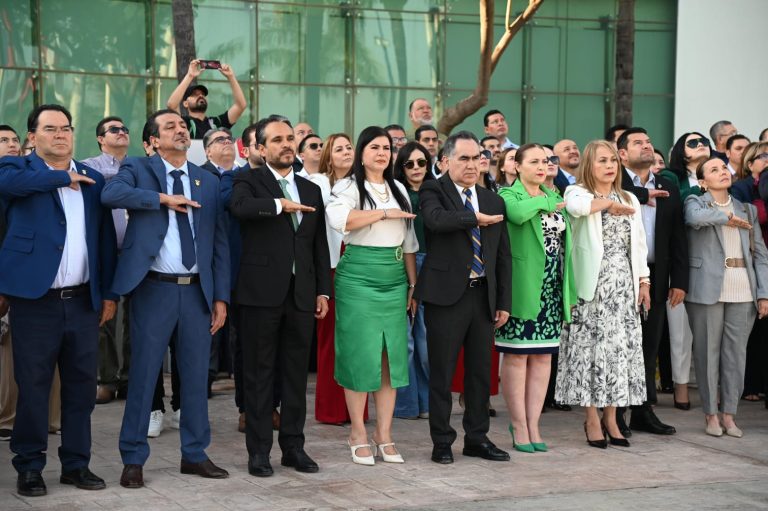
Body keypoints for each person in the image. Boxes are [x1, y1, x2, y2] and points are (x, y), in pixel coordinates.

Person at [102, 108, 230, 488]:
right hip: (153, 288)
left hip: (197, 293)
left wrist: (221, 296)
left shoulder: (205, 180)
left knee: (195, 377)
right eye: (170, 126)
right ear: (153, 139)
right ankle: (133, 457)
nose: (180, 130)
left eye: (182, 126)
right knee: (143, 375)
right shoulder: (139, 169)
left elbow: (218, 243)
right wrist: (161, 198)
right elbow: (111, 194)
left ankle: (194, 453)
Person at [0, 104, 118, 496]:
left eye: (66, 128)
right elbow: (8, 188)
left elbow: (103, 242)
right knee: (33, 385)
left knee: (82, 388)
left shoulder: (93, 180)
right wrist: (59, 179)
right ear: (32, 136)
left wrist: (109, 294)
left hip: (83, 301)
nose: (60, 135)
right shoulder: (17, 170)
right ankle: (30, 466)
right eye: (50, 129)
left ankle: (76, 464)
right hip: (36, 302)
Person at [230, 115, 331, 477]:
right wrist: (279, 205)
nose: (287, 144)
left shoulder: (312, 189)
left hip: (302, 296)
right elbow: (239, 208)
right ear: (260, 148)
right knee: (258, 376)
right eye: (277, 140)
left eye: (290, 138)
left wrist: (323, 290)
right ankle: (258, 453)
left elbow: (318, 245)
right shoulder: (247, 180)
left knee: (294, 377)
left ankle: (293, 447)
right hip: (260, 295)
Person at [415, 130, 512, 465]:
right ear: (446, 161)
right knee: (441, 372)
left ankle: (477, 438)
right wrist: (473, 218)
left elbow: (502, 255)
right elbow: (436, 221)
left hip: (483, 297)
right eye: (464, 158)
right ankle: (442, 440)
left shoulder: (493, 199)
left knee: (479, 374)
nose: (473, 165)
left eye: (477, 158)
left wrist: (503, 302)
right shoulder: (433, 189)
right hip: (446, 298)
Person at [326, 126, 417, 466]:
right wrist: (383, 213)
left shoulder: (399, 189)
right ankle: (357, 433)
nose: (382, 153)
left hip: (394, 279)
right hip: (358, 278)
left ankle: (385, 434)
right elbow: (340, 221)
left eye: (387, 148)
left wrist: (412, 285)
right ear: (362, 153)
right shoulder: (348, 187)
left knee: (390, 358)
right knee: (360, 355)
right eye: (375, 147)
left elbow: (409, 243)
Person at [556, 140, 650, 449]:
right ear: (589, 166)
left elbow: (638, 246)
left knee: (618, 353)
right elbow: (578, 208)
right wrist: (607, 204)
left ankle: (612, 417)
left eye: (612, 160)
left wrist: (644, 282)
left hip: (623, 285)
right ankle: (592, 418)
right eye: (602, 161)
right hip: (590, 286)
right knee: (591, 353)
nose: (609, 166)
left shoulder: (629, 199)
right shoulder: (577, 191)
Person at [496, 143, 575, 453]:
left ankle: (534, 424)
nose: (543, 166)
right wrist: (543, 202)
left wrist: (568, 291)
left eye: (546, 161)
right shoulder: (508, 195)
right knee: (516, 356)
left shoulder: (554, 196)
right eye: (535, 161)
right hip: (522, 288)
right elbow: (516, 215)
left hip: (552, 289)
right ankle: (518, 425)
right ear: (516, 165)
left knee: (543, 357)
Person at [684, 157, 768, 437]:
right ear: (703, 181)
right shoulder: (695, 202)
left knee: (736, 356)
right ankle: (710, 415)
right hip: (706, 288)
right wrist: (727, 217)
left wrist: (763, 293)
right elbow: (694, 220)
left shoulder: (747, 209)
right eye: (713, 170)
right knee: (707, 354)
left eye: (724, 168)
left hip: (743, 287)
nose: (722, 172)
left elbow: (761, 256)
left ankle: (729, 414)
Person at [618, 128, 687, 436]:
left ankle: (643, 411)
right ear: (622, 154)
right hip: (619, 277)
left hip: (657, 275)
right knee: (621, 346)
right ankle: (616, 412)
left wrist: (679, 281)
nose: (646, 146)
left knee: (648, 345)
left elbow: (678, 239)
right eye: (638, 143)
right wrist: (642, 196)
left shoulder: (668, 186)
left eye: (648, 142)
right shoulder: (613, 183)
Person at [83, 116, 132, 406]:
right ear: (101, 138)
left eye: (125, 129)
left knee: (132, 318)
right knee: (105, 317)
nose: (122, 132)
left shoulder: (139, 165)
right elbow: (97, 187)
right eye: (114, 129)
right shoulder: (90, 166)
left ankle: (128, 379)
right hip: (104, 253)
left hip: (134, 253)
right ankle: (107, 379)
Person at [313, 133, 359, 425]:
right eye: (338, 149)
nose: (345, 152)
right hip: (329, 267)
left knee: (357, 341)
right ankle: (330, 409)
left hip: (359, 268)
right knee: (330, 340)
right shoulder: (317, 185)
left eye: (349, 147)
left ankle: (356, 409)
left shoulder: (364, 184)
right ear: (329, 156)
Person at [393, 141, 434, 420]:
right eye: (410, 164)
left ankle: (428, 402)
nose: (416, 168)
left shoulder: (439, 191)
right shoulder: (395, 194)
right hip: (399, 263)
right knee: (404, 341)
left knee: (425, 341)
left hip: (432, 265)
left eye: (421, 162)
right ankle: (406, 405)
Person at [167, 59, 247, 139]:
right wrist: (190, 75)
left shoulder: (217, 122)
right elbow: (171, 105)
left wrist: (231, 76)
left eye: (203, 94)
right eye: (195, 95)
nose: (200, 96)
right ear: (185, 103)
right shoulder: (182, 123)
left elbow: (241, 106)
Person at [660, 132, 710, 201]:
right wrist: (702, 188)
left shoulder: (722, 173)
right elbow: (668, 195)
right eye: (693, 143)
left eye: (704, 141)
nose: (700, 144)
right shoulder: (670, 175)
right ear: (682, 153)